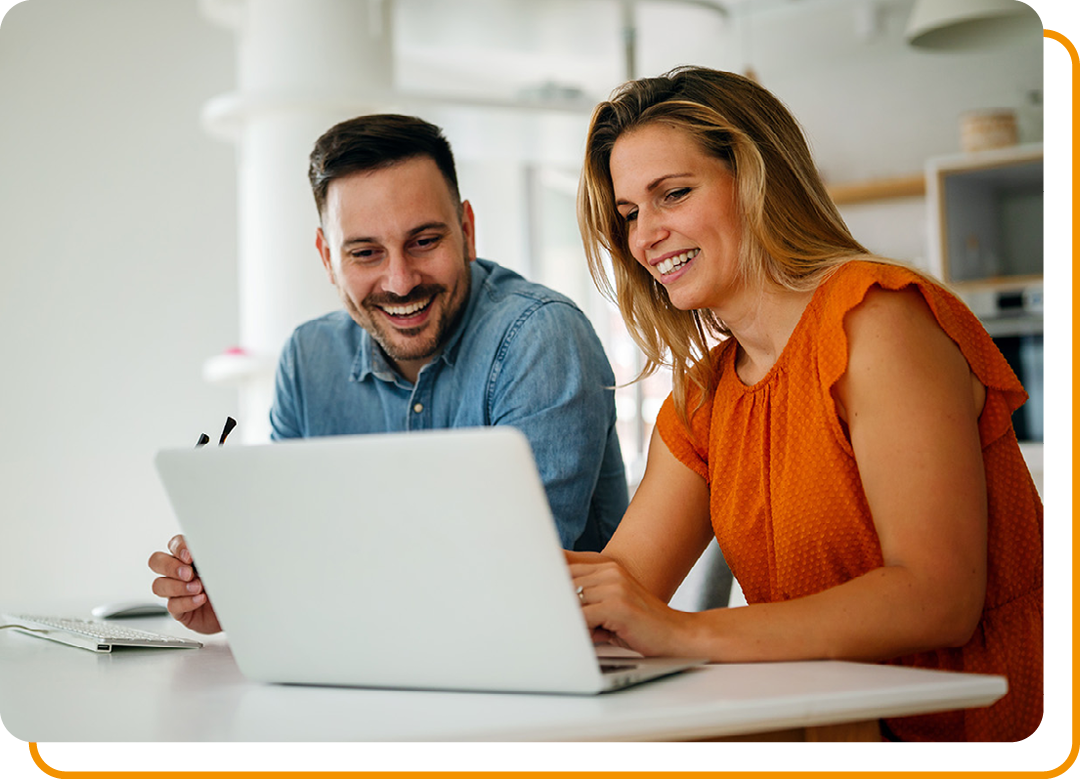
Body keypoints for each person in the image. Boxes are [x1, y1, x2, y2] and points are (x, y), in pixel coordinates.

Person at [570, 66, 1042, 743]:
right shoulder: (706, 394)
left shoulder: (877, 322)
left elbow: (940, 596)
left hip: (984, 724)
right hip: (839, 717)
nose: (646, 236)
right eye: (630, 214)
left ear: (759, 182)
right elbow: (624, 581)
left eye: (672, 194)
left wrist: (683, 630)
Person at [150, 113, 628, 634]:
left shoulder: (540, 339)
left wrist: (298, 585)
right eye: (365, 253)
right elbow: (293, 549)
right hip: (371, 671)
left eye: (424, 241)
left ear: (467, 232)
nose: (399, 282)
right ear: (327, 257)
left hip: (544, 676)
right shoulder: (308, 360)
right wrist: (242, 594)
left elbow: (517, 585)